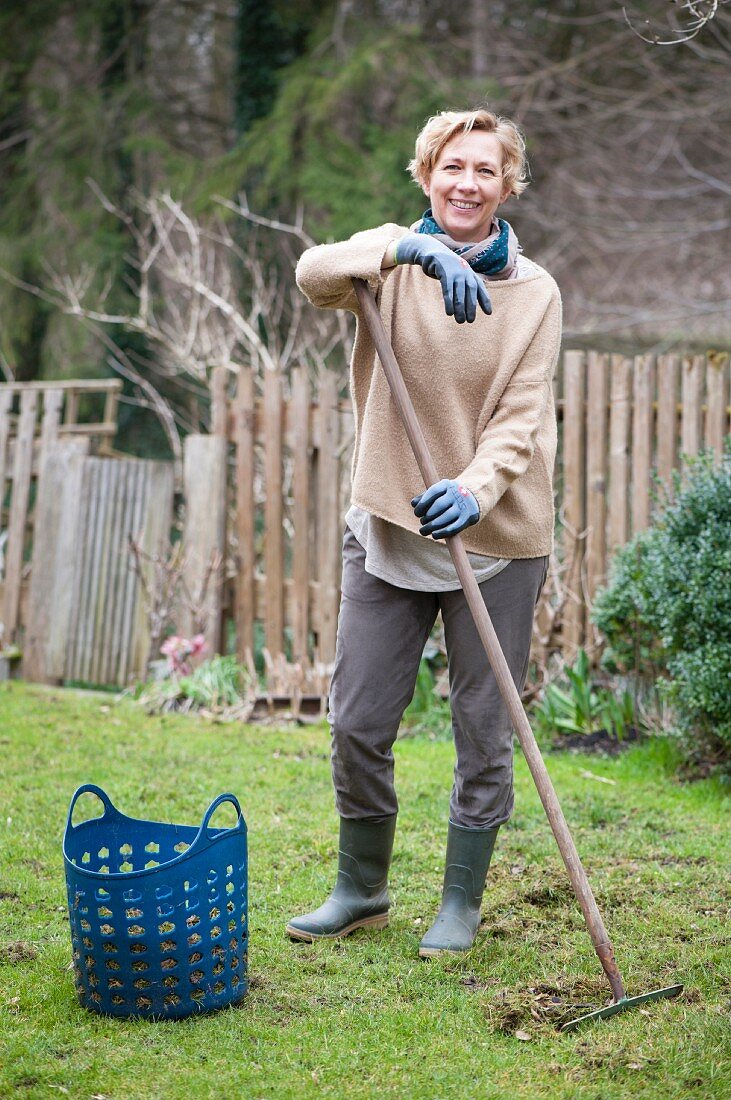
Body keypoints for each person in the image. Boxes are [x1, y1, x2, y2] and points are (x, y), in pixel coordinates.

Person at [287, 108, 561, 957]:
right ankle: (361, 888)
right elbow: (309, 271)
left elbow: (519, 420)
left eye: (485, 170)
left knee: (483, 731)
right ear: (426, 175)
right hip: (387, 524)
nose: (466, 183)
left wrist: (474, 490)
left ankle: (459, 902)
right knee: (359, 719)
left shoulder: (536, 293)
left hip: (495, 537)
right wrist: (409, 250)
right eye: (451, 166)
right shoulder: (385, 269)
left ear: (507, 186)